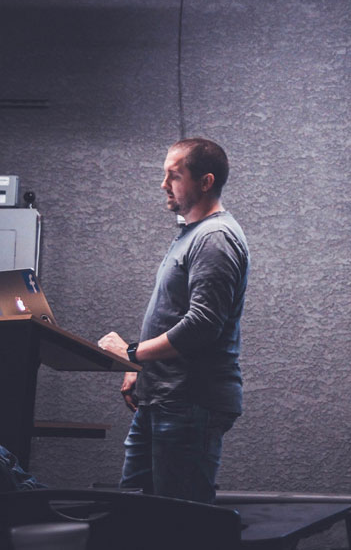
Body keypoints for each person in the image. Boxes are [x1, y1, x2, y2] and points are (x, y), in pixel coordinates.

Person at [98, 138, 249, 503]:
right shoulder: (192, 234)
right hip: (163, 397)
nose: (164, 184)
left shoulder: (214, 238)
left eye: (174, 176)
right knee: (136, 513)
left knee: (179, 520)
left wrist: (132, 353)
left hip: (188, 402)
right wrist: (141, 366)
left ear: (205, 181)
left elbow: (202, 325)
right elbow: (175, 316)